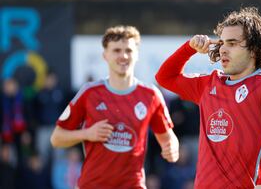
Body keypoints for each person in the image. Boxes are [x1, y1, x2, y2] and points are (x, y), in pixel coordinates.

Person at [156, 7, 261, 189]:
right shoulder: (209, 84)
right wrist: (189, 48)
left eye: (232, 43)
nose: (223, 50)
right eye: (221, 43)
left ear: (254, 49)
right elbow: (164, 78)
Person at [51, 25, 179, 189]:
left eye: (129, 50)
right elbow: (57, 138)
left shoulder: (151, 95)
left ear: (137, 54)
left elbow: (168, 138)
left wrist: (172, 148)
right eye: (116, 50)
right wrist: (87, 133)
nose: (123, 56)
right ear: (105, 55)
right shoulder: (89, 93)